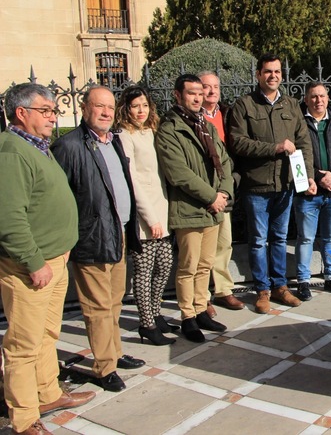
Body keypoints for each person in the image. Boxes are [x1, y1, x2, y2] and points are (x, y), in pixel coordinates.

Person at [0, 84, 95, 435]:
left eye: (54, 110)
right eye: (46, 110)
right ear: (21, 113)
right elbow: (9, 218)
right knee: (23, 344)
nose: (53, 116)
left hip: (54, 260)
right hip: (31, 267)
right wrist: (33, 261)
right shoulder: (12, 153)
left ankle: (48, 393)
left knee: (46, 333)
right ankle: (25, 419)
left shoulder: (36, 146)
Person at [52, 85, 144, 393]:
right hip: (90, 238)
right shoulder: (69, 146)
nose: (106, 112)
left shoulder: (113, 141)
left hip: (118, 234)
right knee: (97, 307)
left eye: (110, 107)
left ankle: (114, 353)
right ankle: (105, 367)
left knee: (115, 301)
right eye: (99, 106)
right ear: (84, 108)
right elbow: (59, 198)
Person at [227, 54, 315, 313]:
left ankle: (280, 286)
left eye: (277, 71)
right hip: (256, 185)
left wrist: (308, 175)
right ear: (258, 74)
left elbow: (303, 143)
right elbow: (238, 142)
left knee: (279, 239)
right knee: (257, 241)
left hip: (285, 184)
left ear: (281, 75)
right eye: (267, 71)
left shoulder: (291, 105)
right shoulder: (244, 105)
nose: (273, 76)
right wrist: (275, 148)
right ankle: (262, 290)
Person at [156, 74, 234, 342]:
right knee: (188, 267)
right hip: (189, 209)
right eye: (192, 93)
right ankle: (187, 315)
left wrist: (224, 193)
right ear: (178, 95)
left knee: (205, 264)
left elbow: (224, 162)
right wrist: (212, 196)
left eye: (200, 93)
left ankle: (201, 309)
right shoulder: (170, 130)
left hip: (213, 210)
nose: (198, 98)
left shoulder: (206, 125)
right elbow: (178, 173)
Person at [115, 86, 176, 345]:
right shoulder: (124, 134)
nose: (141, 111)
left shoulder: (152, 130)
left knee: (165, 265)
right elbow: (133, 180)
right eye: (135, 106)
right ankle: (147, 324)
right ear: (126, 109)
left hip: (162, 207)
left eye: (144, 105)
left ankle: (155, 311)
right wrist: (150, 218)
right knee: (144, 270)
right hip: (145, 215)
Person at [294, 82, 331, 300]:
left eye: (322, 96)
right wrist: (318, 177)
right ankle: (303, 281)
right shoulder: (298, 123)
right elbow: (296, 156)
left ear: (328, 98)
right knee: (306, 238)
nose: (318, 100)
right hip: (308, 191)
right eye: (313, 96)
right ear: (306, 99)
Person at [199, 71, 244, 312]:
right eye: (207, 86)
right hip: (203, 188)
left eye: (215, 86)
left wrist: (232, 181)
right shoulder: (193, 117)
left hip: (225, 187)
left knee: (224, 242)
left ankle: (223, 290)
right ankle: (201, 295)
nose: (212, 91)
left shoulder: (227, 114)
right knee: (202, 247)